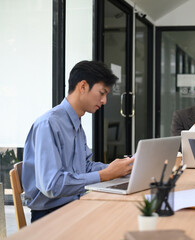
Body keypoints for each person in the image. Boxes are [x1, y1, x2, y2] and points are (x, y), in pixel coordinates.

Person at [22, 60, 134, 222]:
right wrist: (105, 175)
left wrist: (120, 168)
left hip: (74, 204)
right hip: (50, 215)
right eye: (102, 93)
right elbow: (52, 185)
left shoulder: (75, 123)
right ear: (83, 87)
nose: (104, 101)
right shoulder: (49, 124)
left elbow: (83, 166)